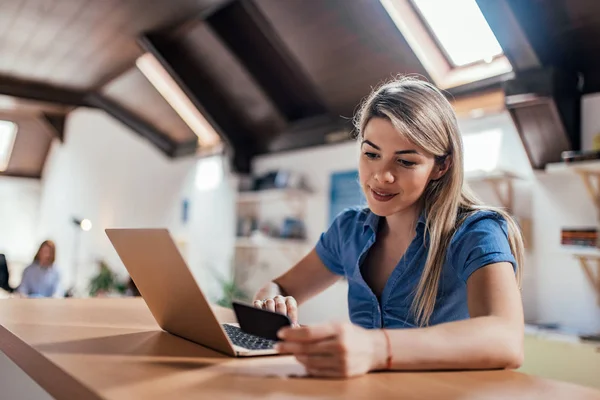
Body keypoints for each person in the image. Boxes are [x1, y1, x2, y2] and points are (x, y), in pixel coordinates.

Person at [253, 76, 525, 378]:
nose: (382, 176)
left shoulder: (476, 232)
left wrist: (374, 348)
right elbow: (280, 287)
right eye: (371, 154)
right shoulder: (348, 230)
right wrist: (271, 304)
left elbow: (507, 340)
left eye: (406, 162)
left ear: (441, 166)